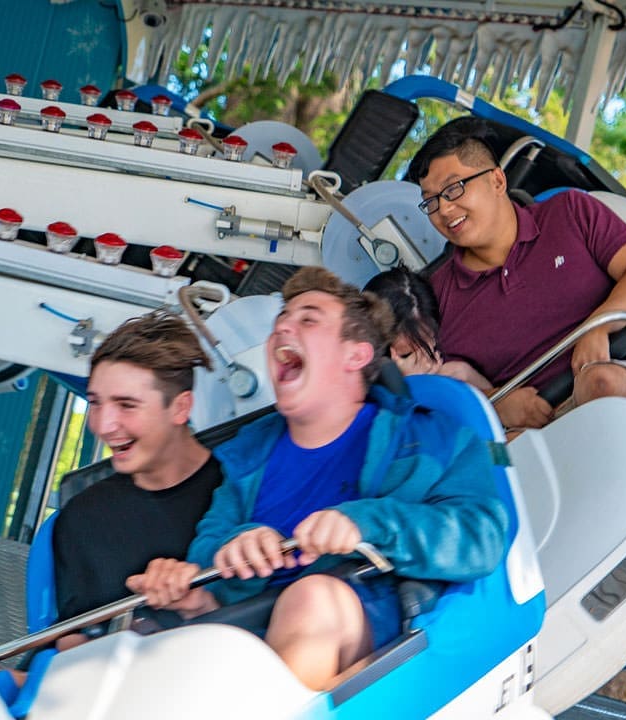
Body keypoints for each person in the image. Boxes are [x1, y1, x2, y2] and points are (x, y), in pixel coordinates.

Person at [127, 267, 508, 691]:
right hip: (248, 632)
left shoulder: (432, 439)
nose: (282, 328)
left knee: (311, 600)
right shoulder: (245, 453)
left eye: (307, 319)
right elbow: (208, 546)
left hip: (375, 624)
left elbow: (482, 538)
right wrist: (218, 568)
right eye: (279, 322)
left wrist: (364, 524)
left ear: (357, 354)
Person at [406, 117, 626, 432]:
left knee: (600, 384)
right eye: (431, 202)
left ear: (497, 181)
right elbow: (436, 390)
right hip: (526, 430)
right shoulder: (435, 296)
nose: (444, 210)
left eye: (453, 189)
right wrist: (496, 403)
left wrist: (596, 328)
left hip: (613, 381)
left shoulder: (570, 211)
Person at [51, 311, 224, 645]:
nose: (103, 426)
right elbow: (71, 638)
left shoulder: (238, 491)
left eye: (126, 405)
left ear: (180, 408)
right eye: (95, 403)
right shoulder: (84, 516)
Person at [361, 266, 490, 391]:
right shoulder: (366, 383)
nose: (425, 359)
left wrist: (468, 375)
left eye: (429, 341)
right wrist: (408, 385)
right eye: (407, 355)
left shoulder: (454, 367)